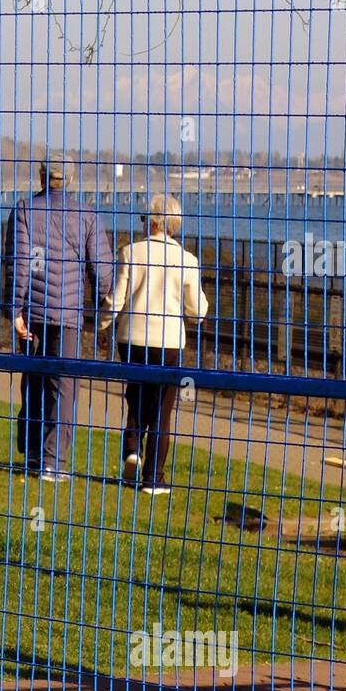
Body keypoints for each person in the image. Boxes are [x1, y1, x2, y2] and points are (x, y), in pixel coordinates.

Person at [5, 154, 114, 482]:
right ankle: (53, 462)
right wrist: (99, 298)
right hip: (67, 314)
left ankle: (34, 451)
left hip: (33, 312)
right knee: (63, 389)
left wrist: (15, 309)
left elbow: (19, 264)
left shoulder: (24, 210)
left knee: (34, 381)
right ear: (69, 180)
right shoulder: (86, 214)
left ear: (41, 176)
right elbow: (102, 268)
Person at [102, 193, 208, 495]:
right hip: (168, 341)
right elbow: (197, 310)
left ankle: (132, 449)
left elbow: (117, 299)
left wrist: (101, 323)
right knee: (162, 408)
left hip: (132, 337)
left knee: (135, 396)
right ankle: (153, 477)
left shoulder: (130, 252)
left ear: (154, 221)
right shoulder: (187, 260)